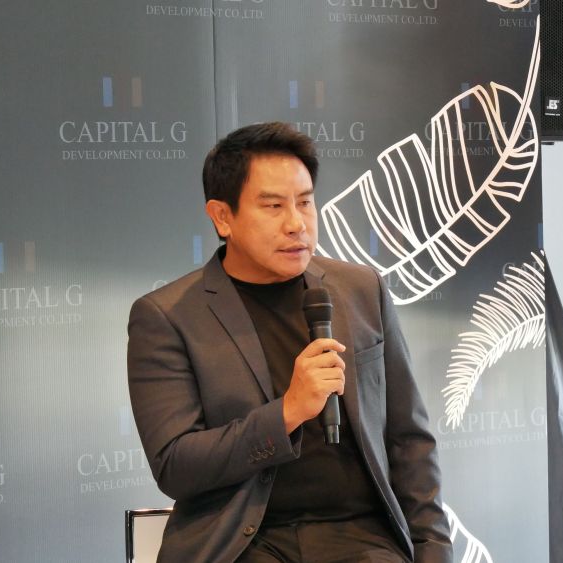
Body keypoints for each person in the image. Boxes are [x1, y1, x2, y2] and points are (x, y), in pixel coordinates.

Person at [127, 122, 452, 563]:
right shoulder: (167, 316)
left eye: (304, 202)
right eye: (273, 206)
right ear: (222, 217)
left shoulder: (360, 290)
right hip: (242, 542)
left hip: (361, 536)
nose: (296, 224)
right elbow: (175, 466)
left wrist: (434, 551)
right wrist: (288, 412)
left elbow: (408, 437)